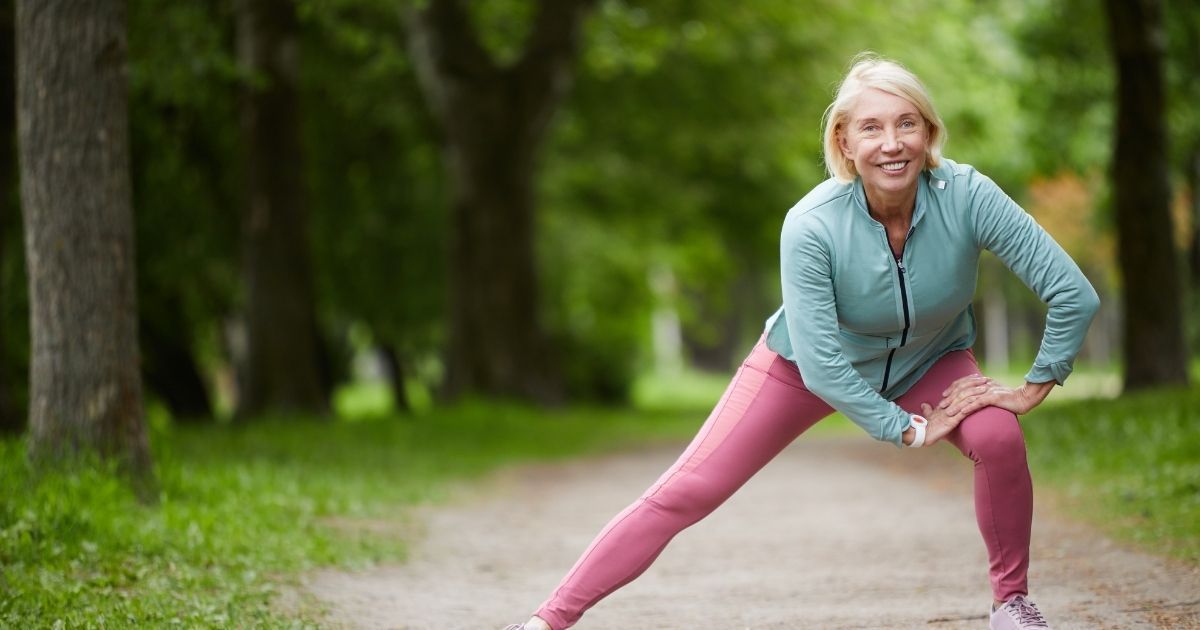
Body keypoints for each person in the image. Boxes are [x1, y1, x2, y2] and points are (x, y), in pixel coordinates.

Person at [505, 54, 1099, 630]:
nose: (891, 143)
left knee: (997, 434)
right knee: (690, 489)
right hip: (803, 367)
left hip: (931, 358)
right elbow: (821, 363)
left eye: (906, 124)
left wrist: (1033, 387)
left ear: (929, 132)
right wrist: (905, 428)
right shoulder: (812, 224)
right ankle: (545, 621)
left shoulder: (968, 196)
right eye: (871, 127)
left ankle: (1012, 606)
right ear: (844, 143)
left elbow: (1073, 292)